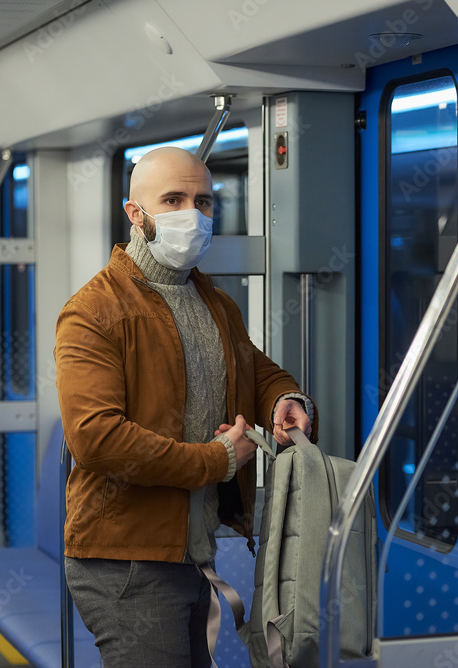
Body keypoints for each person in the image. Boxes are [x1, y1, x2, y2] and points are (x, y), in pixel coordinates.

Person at [54, 146, 318, 667]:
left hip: (192, 552)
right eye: (173, 200)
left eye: (203, 202)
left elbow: (256, 372)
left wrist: (284, 400)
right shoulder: (93, 312)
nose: (192, 215)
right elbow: (97, 438)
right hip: (126, 558)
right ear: (136, 214)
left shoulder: (213, 302)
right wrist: (216, 461)